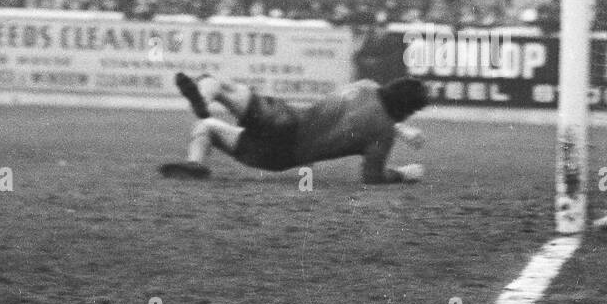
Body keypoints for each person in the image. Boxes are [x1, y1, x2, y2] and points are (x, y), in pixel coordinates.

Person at [160, 73, 427, 184]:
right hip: (277, 158)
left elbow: (373, 109)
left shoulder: (366, 86)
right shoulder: (383, 135)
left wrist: (401, 129)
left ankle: (203, 105)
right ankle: (193, 166)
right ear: (408, 110)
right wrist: (403, 174)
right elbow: (372, 177)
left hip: (285, 122)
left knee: (214, 86)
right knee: (210, 127)